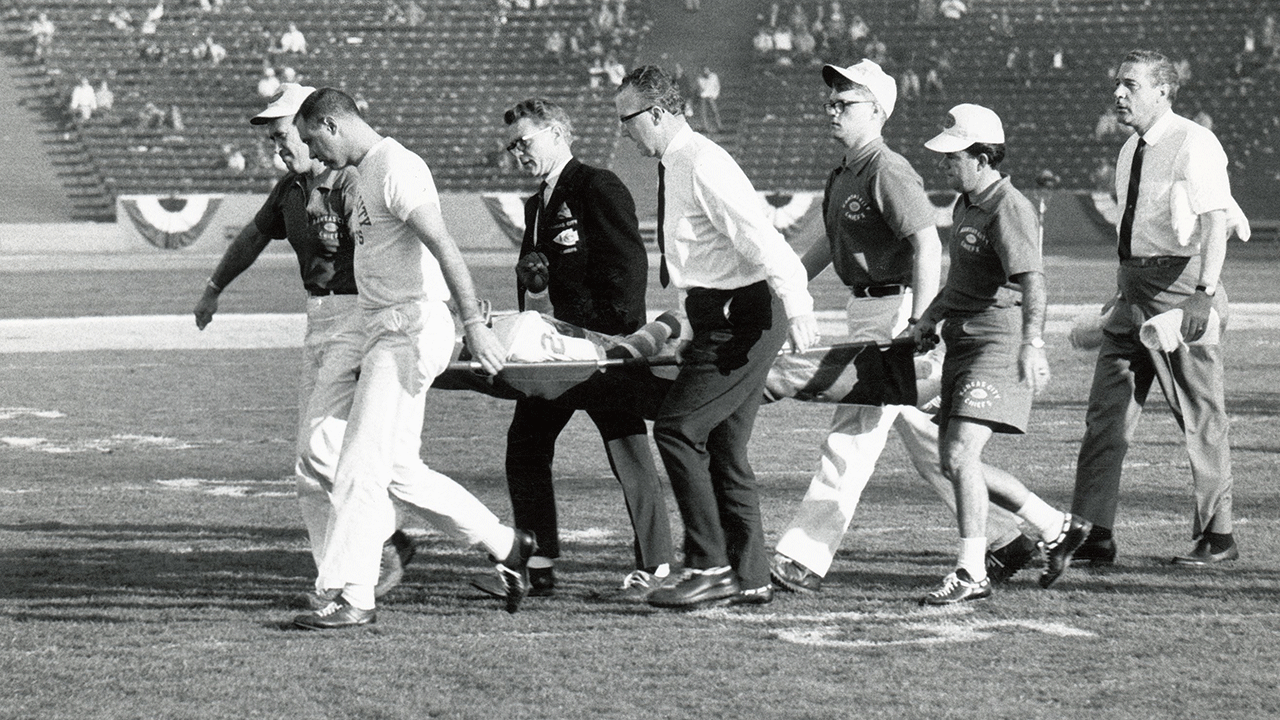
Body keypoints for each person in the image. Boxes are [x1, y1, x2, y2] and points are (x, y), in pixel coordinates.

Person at [769, 61, 1038, 597]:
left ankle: (803, 557)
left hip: (892, 310)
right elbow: (829, 241)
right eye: (831, 102)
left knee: (854, 434)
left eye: (845, 102)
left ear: (877, 110)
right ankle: (1018, 536)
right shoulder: (846, 170)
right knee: (925, 439)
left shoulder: (886, 169)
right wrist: (786, 286)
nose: (833, 110)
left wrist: (916, 323)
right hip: (866, 307)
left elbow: (928, 243)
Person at [289, 88, 533, 629]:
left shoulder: (397, 167)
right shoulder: (357, 177)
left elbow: (445, 246)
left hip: (409, 328)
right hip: (374, 326)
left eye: (312, 141)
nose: (313, 153)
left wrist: (472, 323)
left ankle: (353, 595)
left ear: (331, 125)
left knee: (360, 462)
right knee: (378, 463)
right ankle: (507, 543)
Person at [193, 84, 415, 610]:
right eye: (273, 140)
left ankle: (378, 544)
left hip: (359, 318)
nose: (280, 148)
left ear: (313, 126)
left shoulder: (356, 179)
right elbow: (251, 237)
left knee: (331, 452)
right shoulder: (292, 187)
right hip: (318, 321)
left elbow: (401, 245)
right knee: (310, 467)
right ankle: (339, 572)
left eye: (283, 136)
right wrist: (213, 288)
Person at [613, 66, 820, 609]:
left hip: (744, 320)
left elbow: (761, 238)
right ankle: (750, 574)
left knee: (679, 431)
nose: (624, 132)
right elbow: (696, 259)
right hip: (720, 318)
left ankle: (708, 565)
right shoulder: (676, 163)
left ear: (657, 113)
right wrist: (689, 326)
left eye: (627, 120)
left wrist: (798, 304)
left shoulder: (703, 161)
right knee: (725, 447)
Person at [472, 98, 676, 599]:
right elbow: (539, 291)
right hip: (553, 354)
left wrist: (618, 345)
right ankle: (537, 561)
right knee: (526, 447)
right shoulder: (534, 204)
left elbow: (629, 270)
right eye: (513, 145)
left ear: (558, 133)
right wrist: (534, 288)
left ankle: (658, 568)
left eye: (526, 140)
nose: (518, 151)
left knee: (627, 451)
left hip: (600, 353)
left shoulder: (597, 186)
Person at [912, 103, 1090, 605]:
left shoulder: (1008, 207)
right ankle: (1056, 526)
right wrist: (928, 318)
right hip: (964, 341)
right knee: (953, 459)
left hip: (997, 341)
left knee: (961, 454)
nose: (946, 164)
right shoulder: (966, 203)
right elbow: (961, 280)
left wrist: (1032, 343)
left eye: (954, 156)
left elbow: (1033, 283)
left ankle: (971, 572)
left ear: (983, 157)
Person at [1070, 51, 1239, 568]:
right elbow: (1135, 231)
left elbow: (1215, 221)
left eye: (1130, 85)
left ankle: (1219, 535)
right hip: (1132, 293)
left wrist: (1204, 293)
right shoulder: (1128, 151)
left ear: (1163, 90)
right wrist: (1122, 290)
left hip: (1182, 286)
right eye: (1117, 84)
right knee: (1106, 417)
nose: (1118, 94)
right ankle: (1093, 532)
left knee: (1199, 412)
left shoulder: (1194, 140)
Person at [696, 66, 722, 131]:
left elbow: (717, 87)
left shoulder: (714, 77)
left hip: (711, 97)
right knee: (703, 112)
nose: (705, 71)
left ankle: (719, 126)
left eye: (706, 70)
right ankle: (705, 127)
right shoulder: (700, 78)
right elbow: (701, 88)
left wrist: (715, 95)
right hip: (704, 97)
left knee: (715, 111)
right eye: (704, 70)